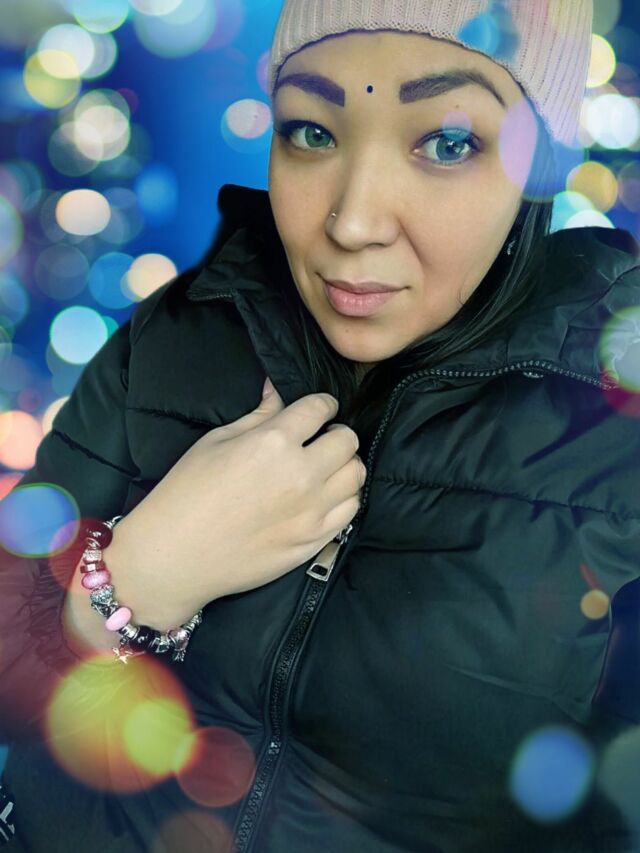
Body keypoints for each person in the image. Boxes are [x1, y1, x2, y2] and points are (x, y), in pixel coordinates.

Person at [1, 0, 640, 850]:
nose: (352, 222)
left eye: (448, 142)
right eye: (311, 132)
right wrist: (134, 581)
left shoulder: (618, 435)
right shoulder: (178, 333)